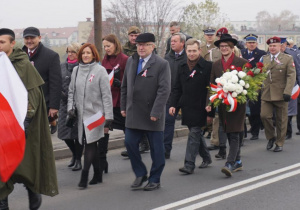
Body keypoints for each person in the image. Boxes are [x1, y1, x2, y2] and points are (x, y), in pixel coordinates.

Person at [0, 28, 58, 210]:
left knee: (27, 167)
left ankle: (34, 195)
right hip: (2, 127)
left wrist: (25, 122)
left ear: (12, 43)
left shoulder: (22, 64)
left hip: (23, 126)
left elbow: (32, 97)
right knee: (2, 169)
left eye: (2, 42)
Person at [121, 33, 171, 191]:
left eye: (145, 44)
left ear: (153, 46)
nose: (141, 47)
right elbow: (124, 86)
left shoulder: (161, 64)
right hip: (133, 112)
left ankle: (155, 179)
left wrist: (156, 111)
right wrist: (123, 106)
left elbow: (164, 90)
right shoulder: (131, 61)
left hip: (152, 114)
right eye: (139, 45)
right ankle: (140, 173)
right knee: (129, 142)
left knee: (157, 149)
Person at [67, 43, 113, 189]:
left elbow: (107, 95)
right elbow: (71, 92)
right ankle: (98, 173)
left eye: (88, 53)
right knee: (86, 142)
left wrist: (109, 116)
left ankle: (84, 176)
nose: (85, 55)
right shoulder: (76, 70)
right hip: (80, 115)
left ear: (94, 55)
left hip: (96, 115)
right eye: (83, 53)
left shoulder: (100, 71)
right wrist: (70, 109)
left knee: (90, 143)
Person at [169, 38, 213, 174]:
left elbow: (211, 89)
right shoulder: (182, 67)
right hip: (187, 106)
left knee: (194, 133)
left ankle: (189, 164)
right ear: (186, 51)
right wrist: (173, 105)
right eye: (189, 51)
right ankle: (206, 157)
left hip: (201, 106)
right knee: (197, 134)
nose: (192, 53)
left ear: (199, 50)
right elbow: (177, 88)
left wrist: (210, 107)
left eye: (194, 51)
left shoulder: (207, 66)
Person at [207, 34, 248, 177]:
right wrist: (209, 103)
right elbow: (212, 85)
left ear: (232, 48)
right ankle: (237, 161)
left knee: (235, 132)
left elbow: (250, 84)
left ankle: (229, 163)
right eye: (221, 46)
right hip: (223, 103)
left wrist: (242, 94)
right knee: (228, 131)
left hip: (237, 103)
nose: (224, 49)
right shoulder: (216, 64)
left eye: (227, 46)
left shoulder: (241, 62)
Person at [22, 27, 62, 134]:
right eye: (26, 38)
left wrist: (53, 106)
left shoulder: (51, 56)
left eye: (32, 38)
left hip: (43, 103)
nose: (29, 41)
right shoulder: (20, 56)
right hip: (23, 103)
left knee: (40, 136)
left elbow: (55, 83)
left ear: (39, 38)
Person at [260, 37, 296, 152]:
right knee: (264, 116)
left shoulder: (287, 59)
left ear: (280, 46)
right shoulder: (264, 59)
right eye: (270, 46)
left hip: (281, 93)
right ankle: (271, 137)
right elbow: (259, 76)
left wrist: (287, 91)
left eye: (274, 45)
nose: (272, 48)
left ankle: (279, 143)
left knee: (281, 120)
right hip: (266, 93)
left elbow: (291, 75)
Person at [102, 34, 129, 172]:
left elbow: (131, 80)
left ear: (115, 44)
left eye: (108, 46)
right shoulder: (103, 61)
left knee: (127, 129)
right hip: (108, 100)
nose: (106, 49)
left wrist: (121, 83)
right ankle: (102, 160)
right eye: (104, 46)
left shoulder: (124, 59)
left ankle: (133, 148)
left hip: (121, 100)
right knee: (104, 129)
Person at [121, 26, 150, 157]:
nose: (134, 38)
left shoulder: (145, 49)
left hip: (143, 84)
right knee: (129, 117)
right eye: (131, 35)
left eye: (136, 35)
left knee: (140, 116)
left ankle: (143, 143)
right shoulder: (124, 50)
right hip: (128, 83)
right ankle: (133, 144)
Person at [58, 43, 84, 171]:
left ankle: (78, 159)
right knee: (64, 133)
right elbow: (56, 81)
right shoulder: (61, 66)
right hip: (64, 105)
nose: (70, 54)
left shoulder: (81, 67)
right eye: (68, 51)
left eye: (73, 52)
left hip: (78, 104)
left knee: (77, 134)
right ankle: (74, 154)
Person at [163, 32, 187, 159]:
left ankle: (203, 154)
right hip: (171, 95)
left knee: (193, 126)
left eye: (175, 41)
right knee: (168, 121)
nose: (172, 43)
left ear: (182, 43)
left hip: (186, 95)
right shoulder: (168, 57)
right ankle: (165, 150)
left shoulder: (188, 57)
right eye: (171, 41)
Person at [241, 34, 267, 140]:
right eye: (249, 43)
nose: (251, 45)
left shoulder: (261, 54)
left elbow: (263, 69)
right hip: (243, 83)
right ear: (246, 44)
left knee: (254, 108)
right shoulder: (242, 53)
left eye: (253, 43)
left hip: (255, 84)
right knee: (243, 108)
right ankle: (244, 131)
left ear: (256, 43)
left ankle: (255, 131)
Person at [280, 37, 300, 140]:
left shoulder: (292, 54)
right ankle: (282, 131)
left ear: (284, 45)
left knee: (289, 110)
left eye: (281, 45)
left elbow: (297, 69)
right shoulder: (272, 55)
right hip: (278, 86)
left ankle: (288, 132)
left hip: (291, 85)